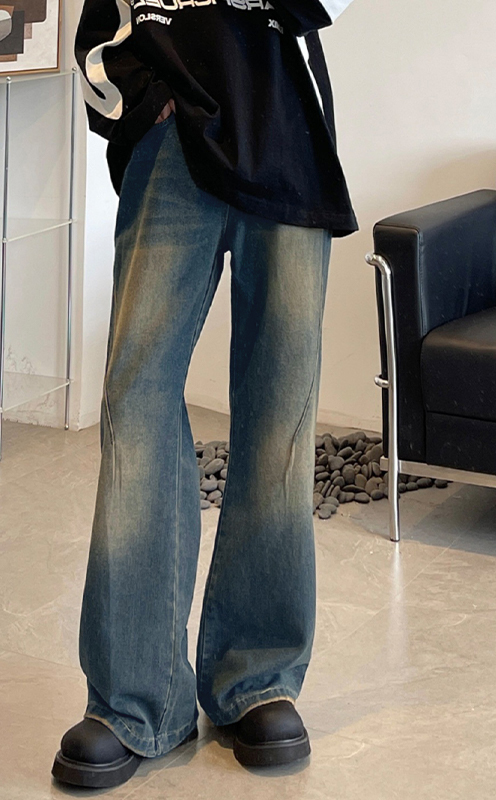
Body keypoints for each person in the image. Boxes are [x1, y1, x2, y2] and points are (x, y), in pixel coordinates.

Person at [52, 0, 357, 789]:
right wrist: (144, 102)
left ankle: (258, 677)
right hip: (170, 134)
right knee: (137, 403)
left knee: (280, 407)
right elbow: (98, 27)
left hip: (285, 125)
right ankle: (134, 699)